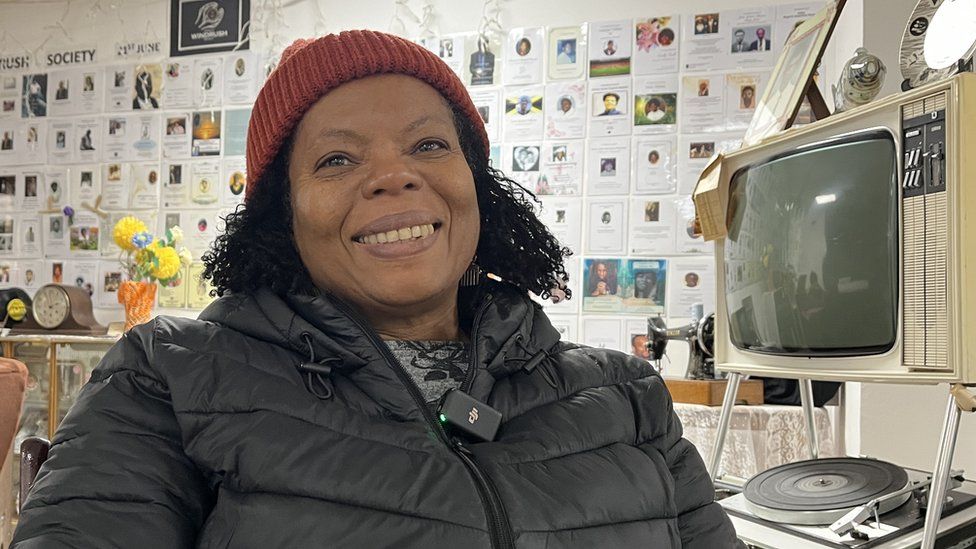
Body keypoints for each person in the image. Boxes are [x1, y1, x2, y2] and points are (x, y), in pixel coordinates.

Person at [12, 31, 739, 548]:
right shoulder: (166, 375)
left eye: (428, 145)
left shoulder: (628, 397)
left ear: (478, 187)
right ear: (282, 213)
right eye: (335, 159)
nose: (394, 175)